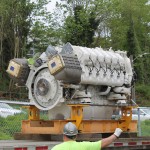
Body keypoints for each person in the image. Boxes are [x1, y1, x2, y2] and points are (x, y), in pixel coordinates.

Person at [51, 122, 123, 150]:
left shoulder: (55, 148)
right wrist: (115, 135)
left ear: (64, 135)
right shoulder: (84, 146)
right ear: (76, 135)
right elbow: (102, 143)